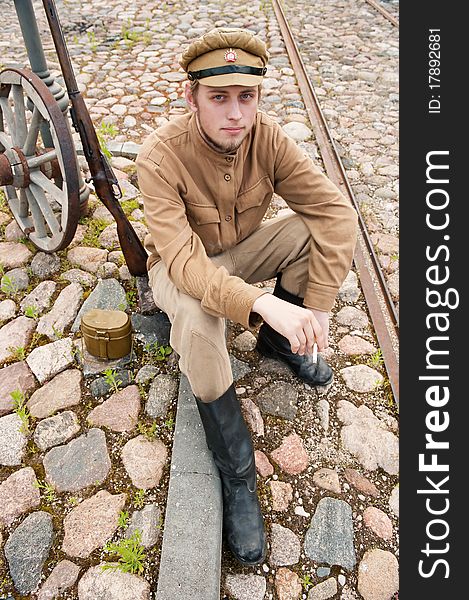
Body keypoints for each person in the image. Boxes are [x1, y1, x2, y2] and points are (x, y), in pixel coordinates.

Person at [136, 27, 357, 566]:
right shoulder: (160, 156)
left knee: (310, 230)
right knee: (195, 316)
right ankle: (237, 474)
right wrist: (260, 304)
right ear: (192, 99)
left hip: (240, 251)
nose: (236, 114)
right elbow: (186, 264)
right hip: (180, 267)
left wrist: (316, 307)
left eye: (247, 97)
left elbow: (335, 213)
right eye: (219, 98)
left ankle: (279, 346)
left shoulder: (269, 139)